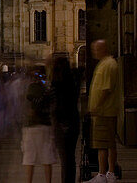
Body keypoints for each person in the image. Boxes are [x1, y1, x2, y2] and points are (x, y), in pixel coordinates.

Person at [85, 39, 123, 183]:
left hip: (104, 111)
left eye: (96, 49)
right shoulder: (106, 63)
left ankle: (104, 174)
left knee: (103, 144)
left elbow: (105, 89)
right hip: (105, 111)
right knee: (107, 143)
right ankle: (108, 173)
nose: (94, 52)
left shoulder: (107, 65)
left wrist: (96, 106)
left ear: (102, 49)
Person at [23, 64, 59, 183]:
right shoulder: (47, 87)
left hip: (32, 126)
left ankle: (29, 181)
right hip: (45, 124)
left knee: (29, 157)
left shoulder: (31, 87)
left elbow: (28, 105)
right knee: (46, 157)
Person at [51, 55, 81, 183]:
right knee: (70, 158)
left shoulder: (58, 83)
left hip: (62, 123)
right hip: (74, 121)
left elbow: (58, 105)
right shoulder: (73, 81)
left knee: (65, 159)